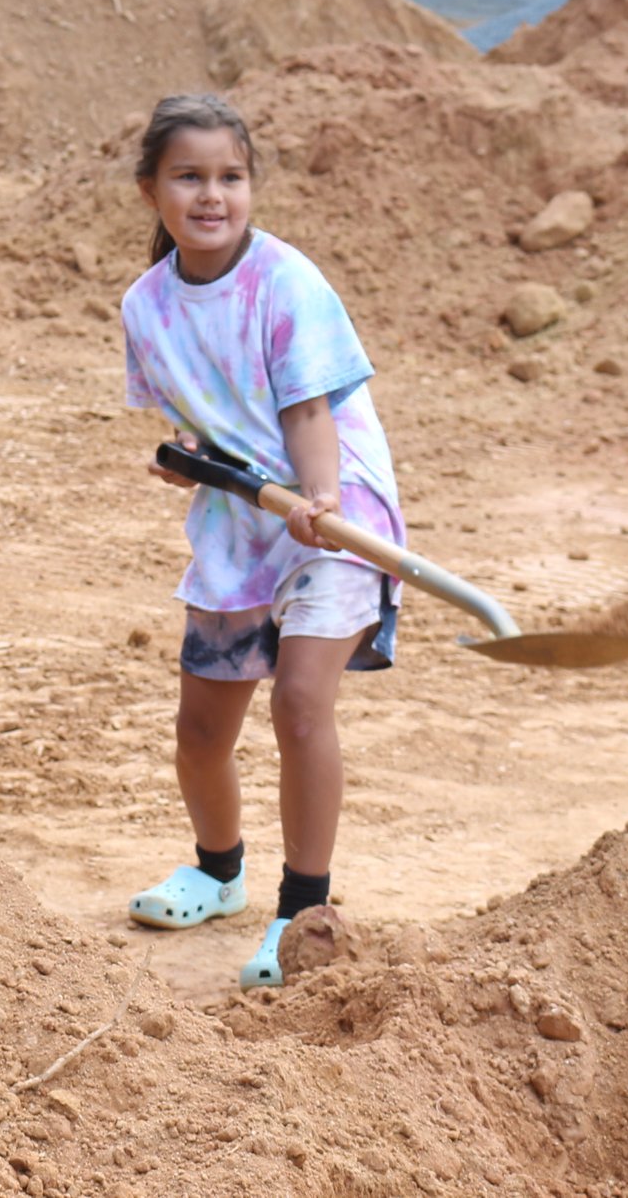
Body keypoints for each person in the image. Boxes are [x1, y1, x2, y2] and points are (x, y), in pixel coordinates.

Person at [117, 92, 406, 989]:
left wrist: (318, 498)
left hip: (334, 508)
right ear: (151, 190)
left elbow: (307, 405)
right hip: (241, 521)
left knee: (300, 702)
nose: (212, 195)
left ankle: (302, 910)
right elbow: (199, 419)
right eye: (190, 176)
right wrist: (194, 460)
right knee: (201, 728)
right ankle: (217, 870)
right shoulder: (145, 304)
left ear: (252, 187)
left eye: (231, 177)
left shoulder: (287, 281)